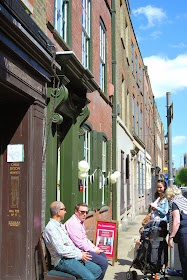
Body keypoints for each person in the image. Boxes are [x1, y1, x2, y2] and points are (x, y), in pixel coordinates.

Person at [43, 201, 102, 280]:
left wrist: (79, 251)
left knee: (97, 270)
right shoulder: (51, 228)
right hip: (62, 261)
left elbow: (70, 243)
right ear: (58, 212)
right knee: (89, 278)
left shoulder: (60, 225)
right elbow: (61, 250)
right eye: (64, 209)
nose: (65, 212)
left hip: (71, 257)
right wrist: (79, 255)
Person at [65, 202, 108, 280]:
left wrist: (94, 247)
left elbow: (85, 239)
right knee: (104, 263)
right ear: (76, 211)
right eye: (82, 212)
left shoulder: (80, 222)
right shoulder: (73, 224)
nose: (85, 214)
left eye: (86, 212)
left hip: (82, 249)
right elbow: (79, 244)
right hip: (78, 252)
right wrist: (93, 250)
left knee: (103, 255)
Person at [165, 185, 187, 280]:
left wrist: (171, 237)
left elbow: (176, 221)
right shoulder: (184, 200)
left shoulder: (174, 202)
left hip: (183, 231)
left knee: (185, 257)